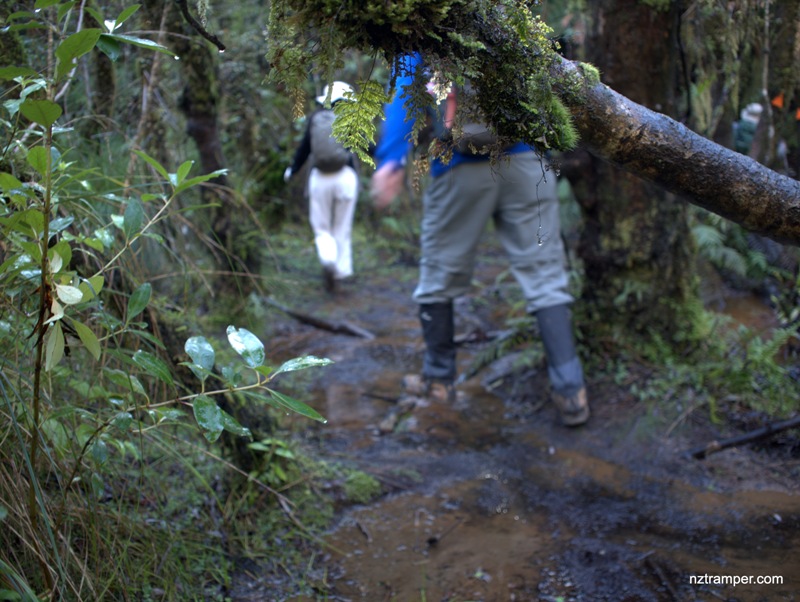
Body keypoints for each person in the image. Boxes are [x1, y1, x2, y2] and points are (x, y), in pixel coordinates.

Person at [370, 55, 590, 426]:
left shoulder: (422, 22)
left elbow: (406, 88)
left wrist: (391, 158)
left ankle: (438, 381)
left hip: (460, 168)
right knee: (547, 279)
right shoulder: (513, 16)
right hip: (527, 164)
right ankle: (571, 392)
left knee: (438, 280)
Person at [284, 81, 359, 292]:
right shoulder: (350, 118)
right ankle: (341, 274)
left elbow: (304, 148)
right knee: (342, 228)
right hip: (346, 177)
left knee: (322, 228)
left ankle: (328, 260)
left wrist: (292, 169)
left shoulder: (315, 119)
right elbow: (366, 147)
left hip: (320, 178)